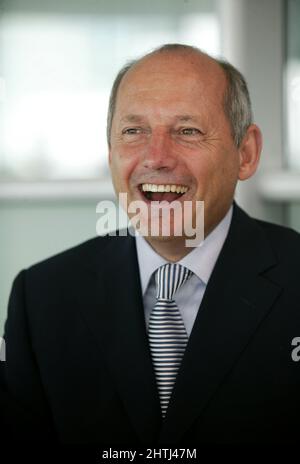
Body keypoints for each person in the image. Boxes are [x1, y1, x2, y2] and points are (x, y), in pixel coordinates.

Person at [1, 43, 300, 445]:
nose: (156, 156)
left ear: (245, 153)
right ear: (111, 152)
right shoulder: (41, 298)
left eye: (188, 131)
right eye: (133, 131)